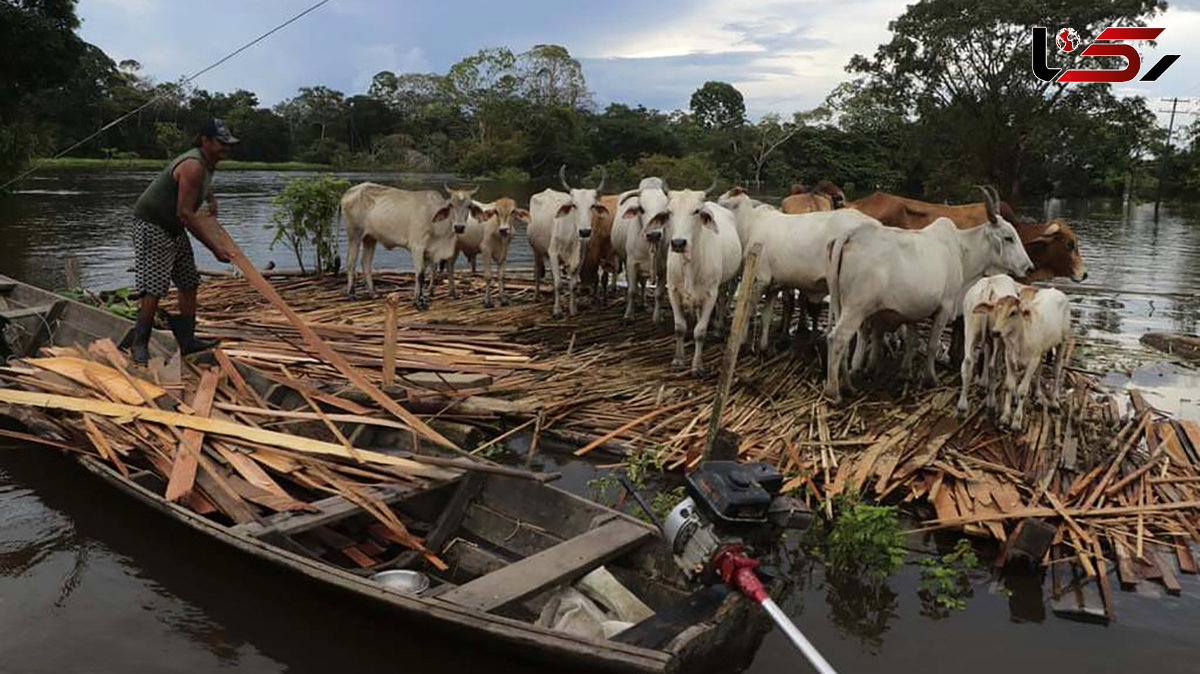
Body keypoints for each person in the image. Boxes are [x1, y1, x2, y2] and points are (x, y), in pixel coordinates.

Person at [128, 119, 238, 364]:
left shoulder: (209, 163)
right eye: (221, 143)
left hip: (174, 226)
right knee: (154, 286)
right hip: (153, 224)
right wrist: (214, 248)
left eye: (227, 144)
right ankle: (139, 344)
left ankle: (187, 341)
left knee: (189, 282)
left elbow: (200, 188)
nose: (225, 149)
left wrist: (211, 199)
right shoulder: (192, 165)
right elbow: (186, 213)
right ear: (205, 140)